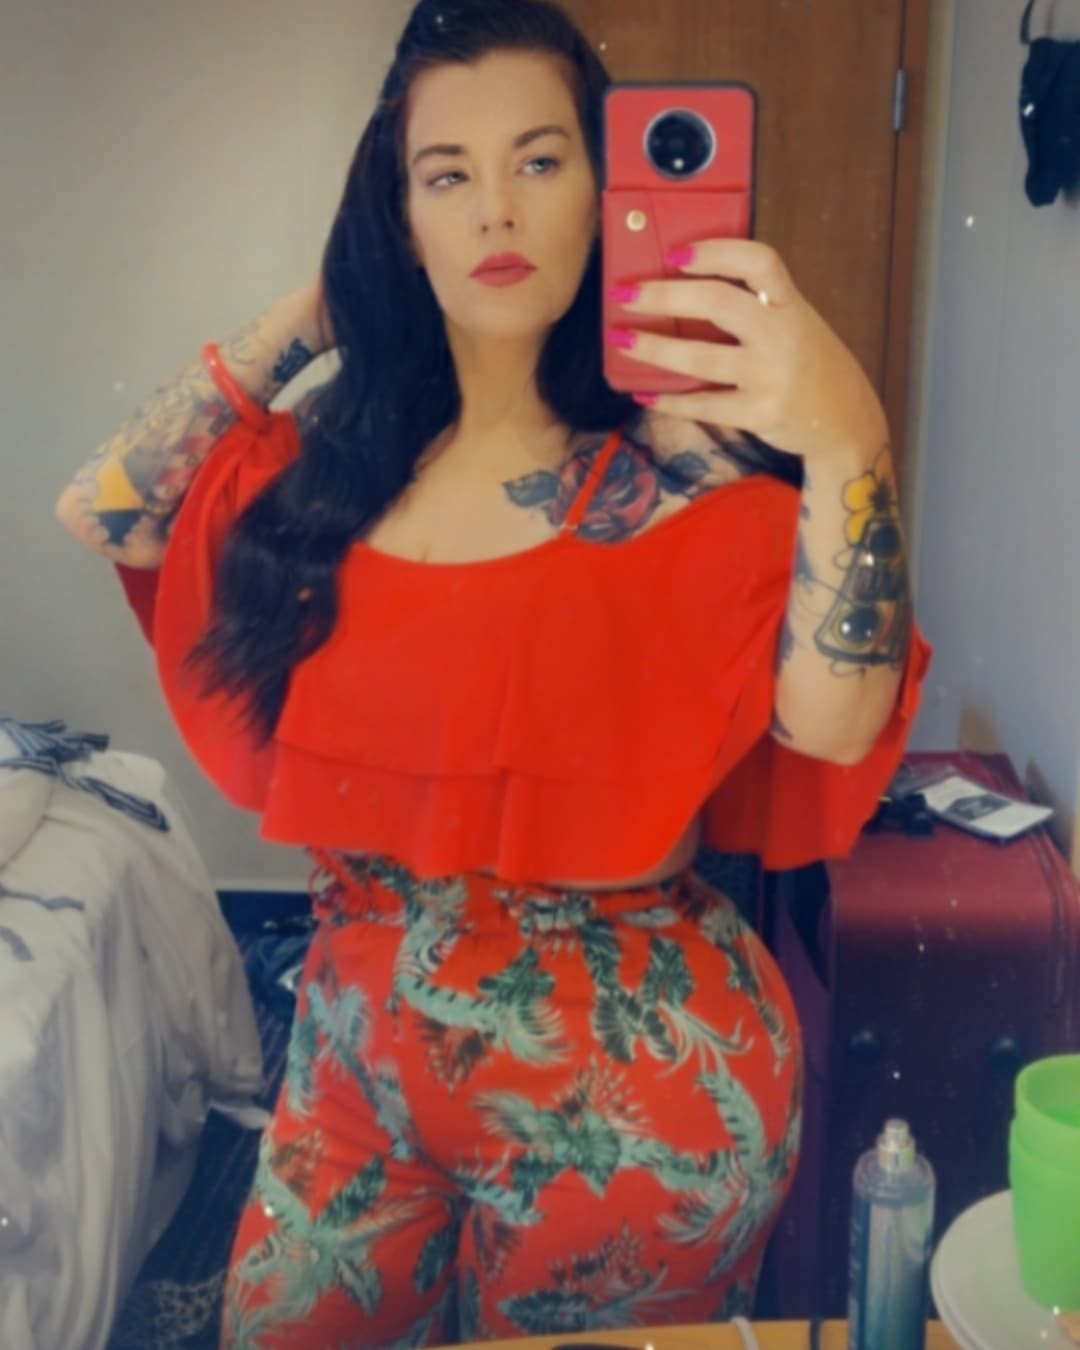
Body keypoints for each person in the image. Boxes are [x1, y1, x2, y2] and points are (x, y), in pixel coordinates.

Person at [56, 1, 933, 1345]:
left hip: (637, 1092)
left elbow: (835, 716)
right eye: (445, 174)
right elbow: (106, 509)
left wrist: (850, 436)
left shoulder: (686, 474)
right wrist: (312, 310)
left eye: (539, 160)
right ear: (401, 218)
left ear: (604, 191)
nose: (496, 211)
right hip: (354, 1064)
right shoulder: (329, 469)